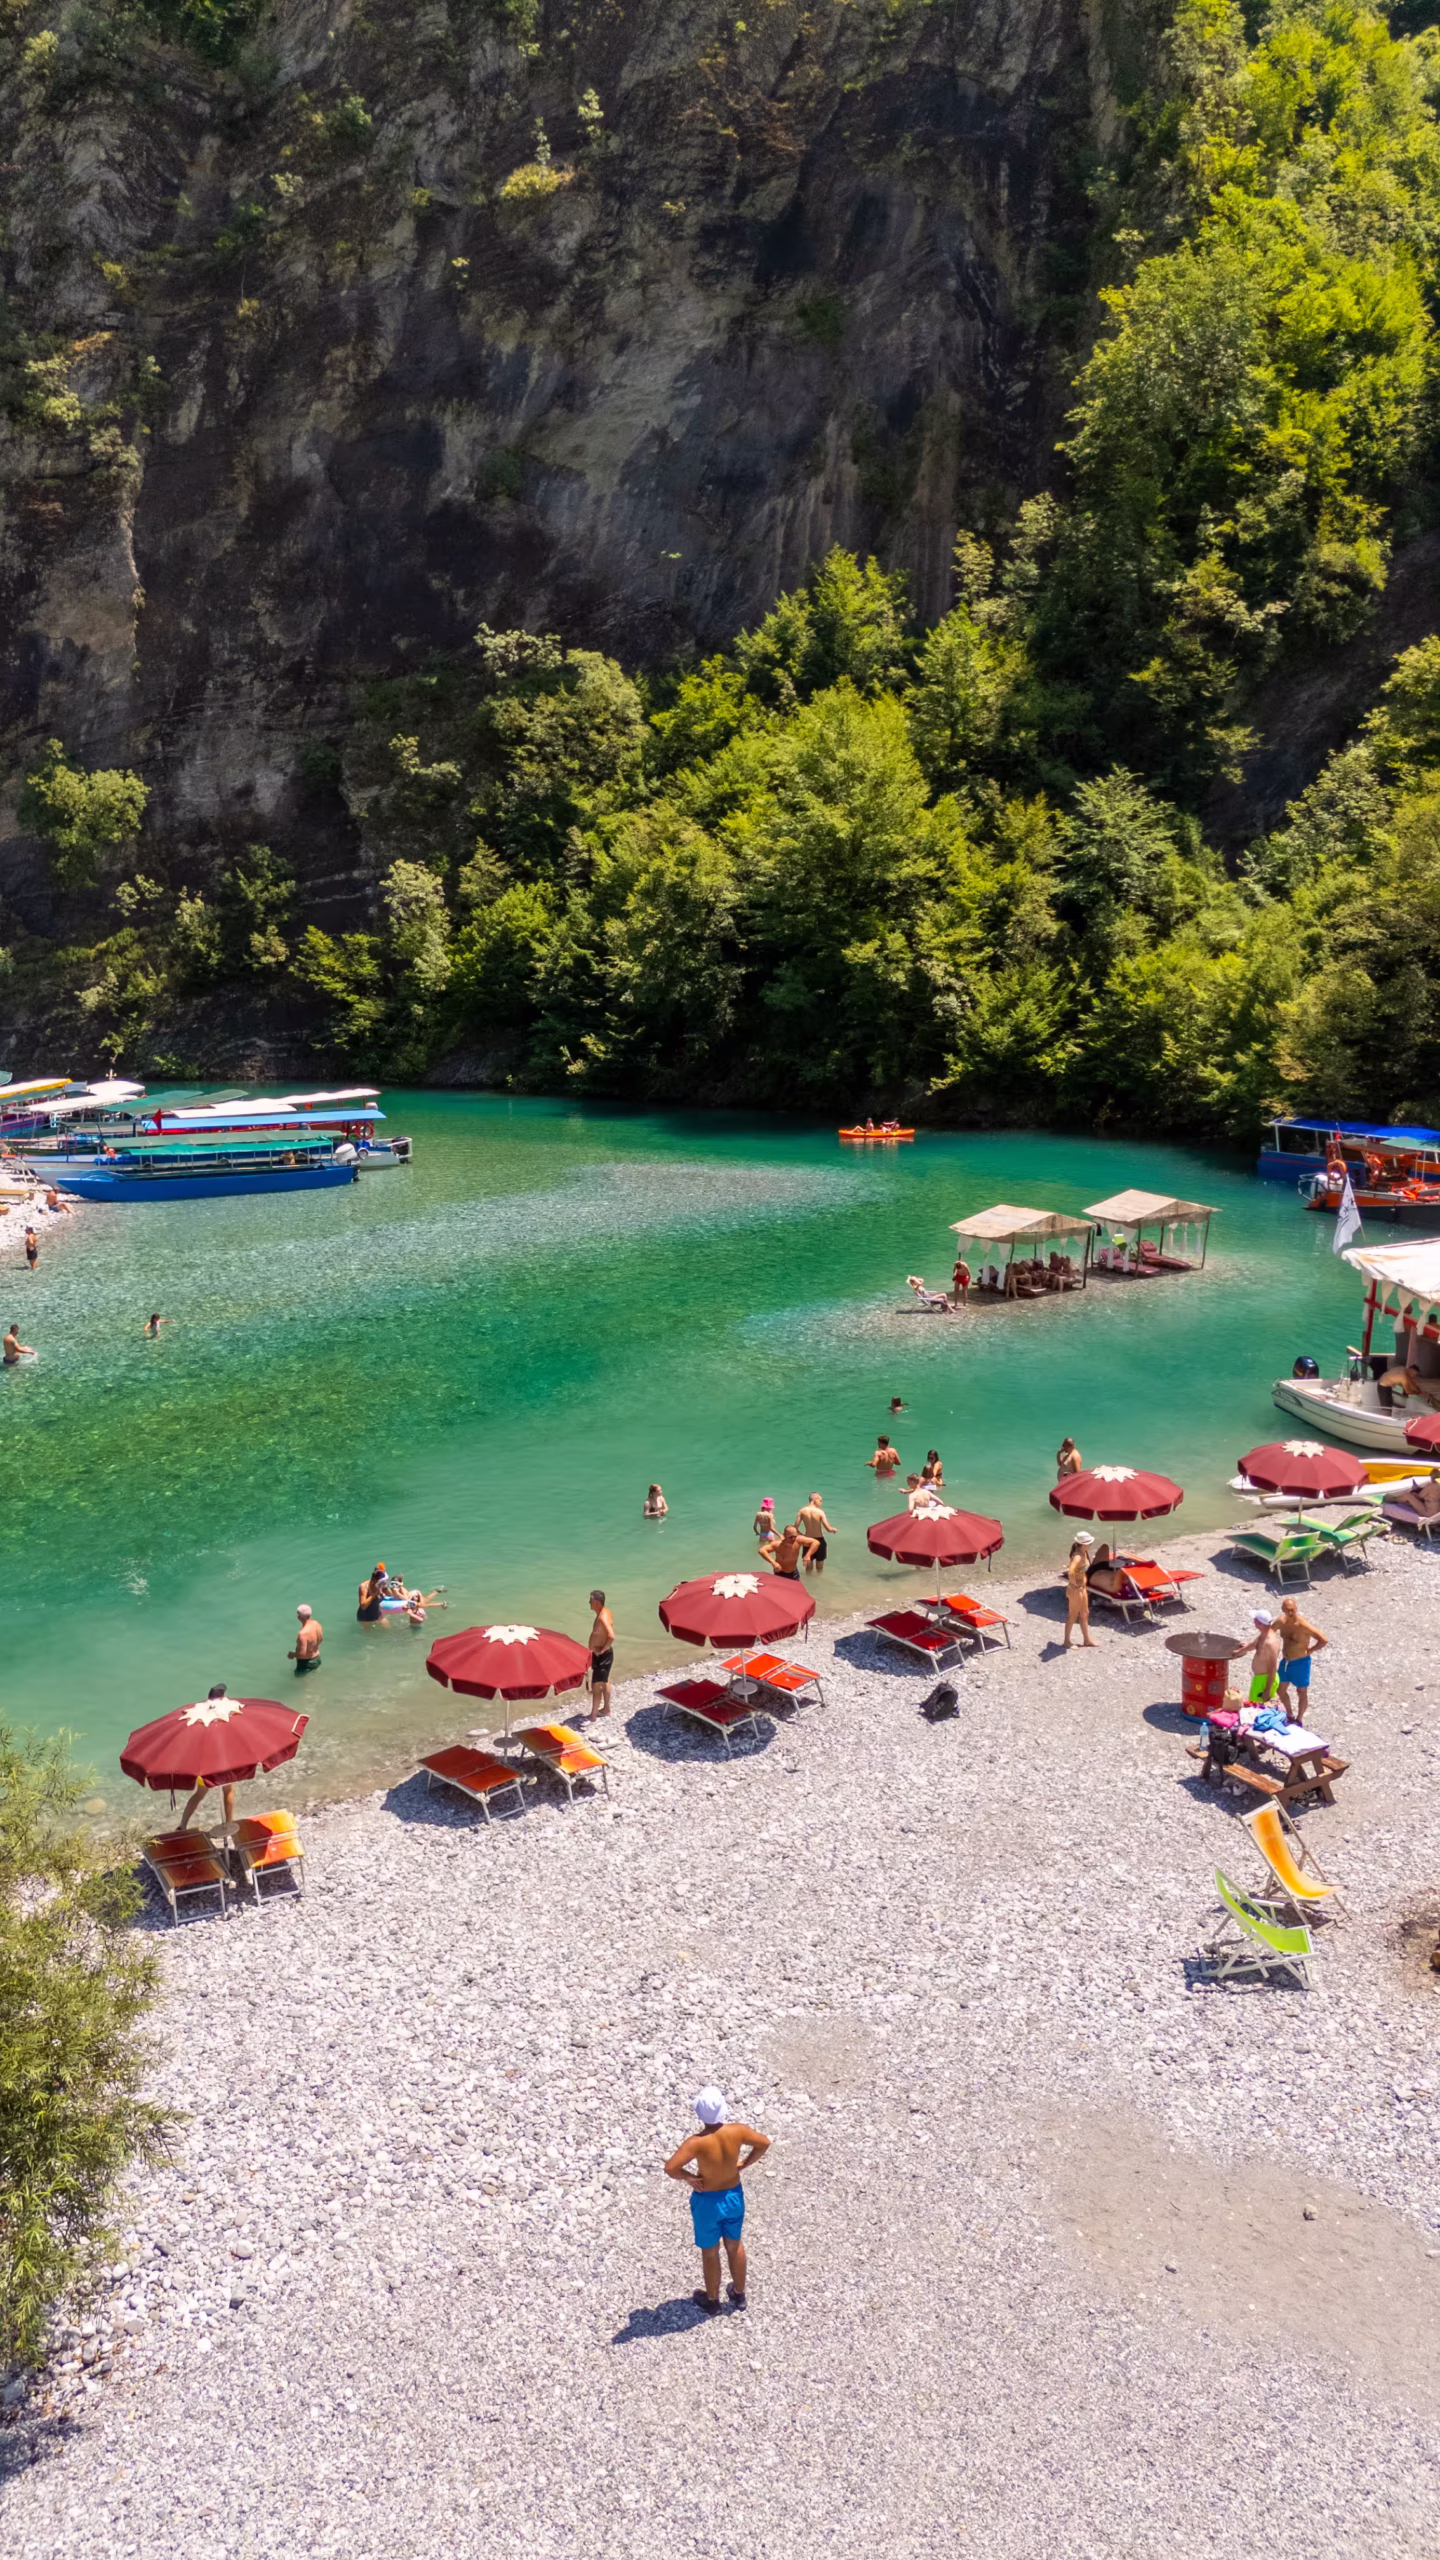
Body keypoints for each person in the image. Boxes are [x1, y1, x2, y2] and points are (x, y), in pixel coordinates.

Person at [664, 2088, 771, 2313]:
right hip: (733, 2195)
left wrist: (689, 2178)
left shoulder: (696, 2142)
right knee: (735, 2245)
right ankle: (739, 2295)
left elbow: (671, 2168)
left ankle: (713, 2300)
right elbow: (763, 2143)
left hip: (707, 2202)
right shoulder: (737, 2131)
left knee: (710, 2251)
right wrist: (744, 2164)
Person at [177, 1689, 238, 1832]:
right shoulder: (225, 1716)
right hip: (223, 1761)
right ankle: (228, 1824)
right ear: (222, 1698)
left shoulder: (199, 1716)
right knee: (228, 1790)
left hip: (203, 1764)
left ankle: (182, 1824)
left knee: (199, 1794)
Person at [1276, 1597, 1328, 1716]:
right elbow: (1268, 1633)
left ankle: (1299, 1718)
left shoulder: (1303, 1625)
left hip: (1301, 1663)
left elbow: (1324, 1640)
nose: (1290, 1613)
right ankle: (1290, 1714)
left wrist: (1310, 1650)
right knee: (1281, 1690)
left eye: (1292, 1610)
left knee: (1301, 1692)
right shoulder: (1281, 1622)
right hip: (1286, 1661)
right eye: (1287, 1610)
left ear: (1296, 1609)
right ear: (1282, 1609)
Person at [1238, 1609, 1284, 1704]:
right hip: (1259, 1679)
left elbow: (1273, 1668)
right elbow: (1255, 1644)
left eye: (1255, 1620)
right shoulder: (1264, 1633)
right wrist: (1239, 1651)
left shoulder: (1270, 1643)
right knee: (1253, 1705)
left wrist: (1267, 1690)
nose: (1253, 1622)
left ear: (1259, 1623)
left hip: (1265, 1680)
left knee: (1259, 1709)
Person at [1064, 1533, 1097, 1648]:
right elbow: (1071, 1571)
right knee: (1073, 1616)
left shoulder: (1084, 1553)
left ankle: (1087, 1640)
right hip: (1076, 1590)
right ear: (1085, 1544)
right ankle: (1066, 1641)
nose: (1091, 1545)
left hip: (1082, 1588)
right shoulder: (1077, 1556)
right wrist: (1075, 1583)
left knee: (1085, 1613)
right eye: (1090, 1544)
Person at [588, 1590, 615, 1719]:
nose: (589, 1603)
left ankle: (593, 1715)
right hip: (603, 1655)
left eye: (591, 1601)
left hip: (602, 1655)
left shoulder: (602, 1617)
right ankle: (606, 1709)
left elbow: (611, 1636)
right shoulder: (605, 1612)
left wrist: (603, 1650)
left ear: (597, 1602)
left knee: (596, 1686)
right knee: (604, 1681)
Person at [795, 1493, 836, 1570]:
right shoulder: (820, 1512)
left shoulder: (802, 1511)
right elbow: (828, 1529)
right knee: (819, 1567)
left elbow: (795, 1528)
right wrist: (834, 1529)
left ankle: (808, 1581)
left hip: (807, 1540)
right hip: (819, 1540)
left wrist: (803, 1535)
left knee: (808, 1566)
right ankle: (819, 1581)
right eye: (820, 1500)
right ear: (815, 1500)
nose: (821, 1503)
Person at [289, 1604, 323, 1673]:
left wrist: (292, 1654)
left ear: (299, 1617)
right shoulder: (316, 1624)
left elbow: (302, 1654)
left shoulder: (302, 1634)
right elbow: (321, 1639)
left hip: (306, 1664)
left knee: (300, 1682)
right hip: (317, 1659)